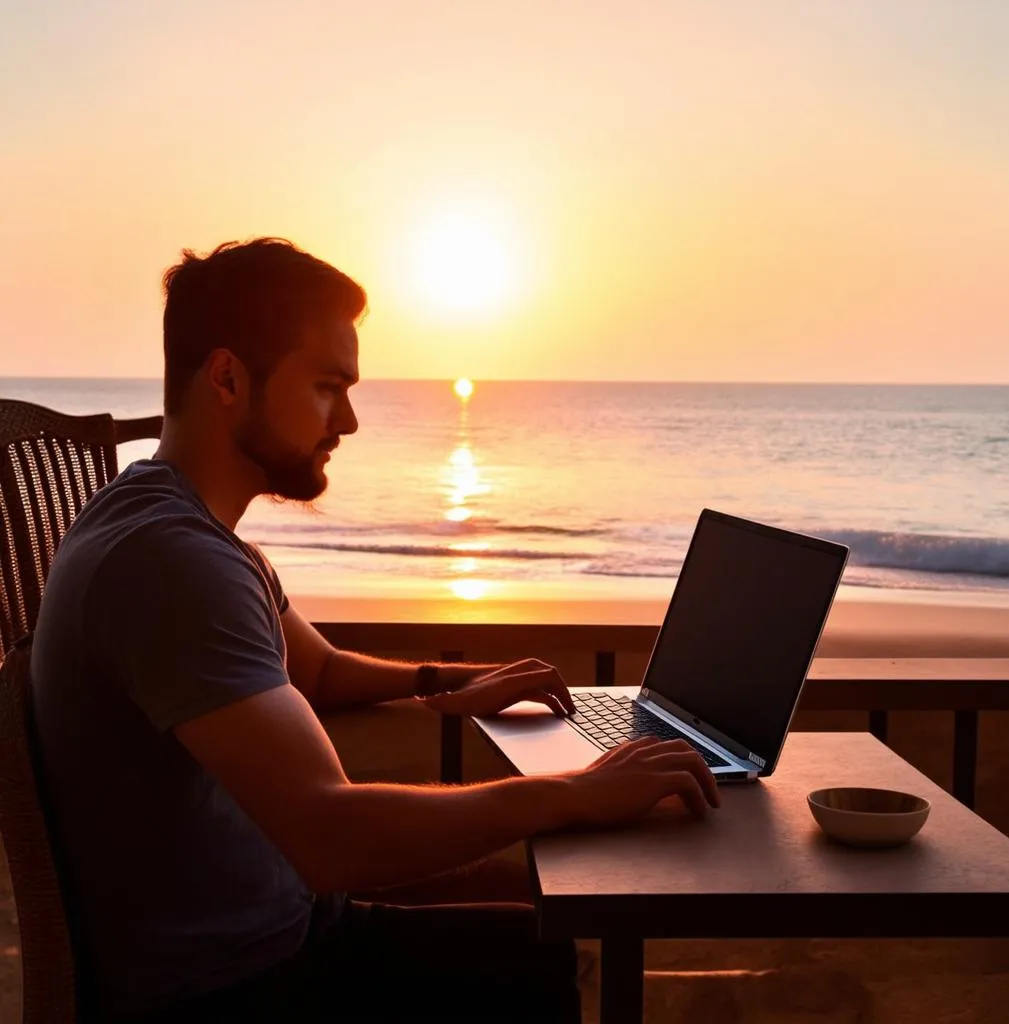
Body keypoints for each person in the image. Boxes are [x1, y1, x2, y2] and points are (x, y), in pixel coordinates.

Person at [30, 238, 720, 1023]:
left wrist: (448, 682)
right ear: (227, 377)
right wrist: (576, 793)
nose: (350, 420)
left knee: (542, 906)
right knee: (539, 947)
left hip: (267, 917)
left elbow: (317, 672)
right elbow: (331, 837)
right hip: (231, 983)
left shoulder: (173, 524)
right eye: (328, 387)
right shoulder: (172, 564)